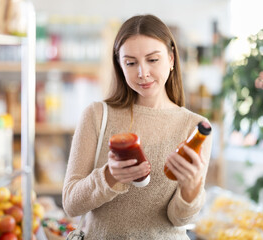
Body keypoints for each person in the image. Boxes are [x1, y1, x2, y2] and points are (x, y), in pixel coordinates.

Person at [62, 14, 212, 239]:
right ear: (120, 65)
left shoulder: (194, 127)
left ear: (171, 59)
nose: (143, 73)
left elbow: (180, 220)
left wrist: (191, 189)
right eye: (131, 63)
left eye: (153, 60)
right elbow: (71, 204)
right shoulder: (97, 115)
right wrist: (110, 177)